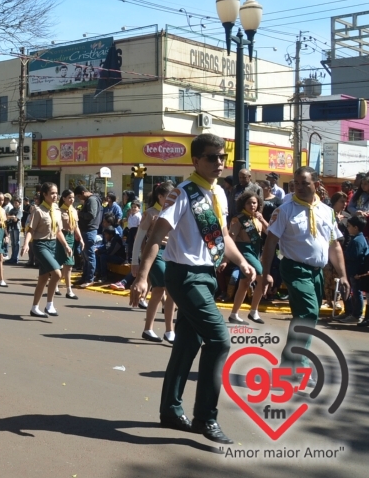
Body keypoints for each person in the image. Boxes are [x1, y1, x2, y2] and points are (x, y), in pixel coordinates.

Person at [133, 133, 255, 445]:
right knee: (219, 339)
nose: (219, 163)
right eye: (213, 157)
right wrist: (143, 277)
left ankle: (171, 410)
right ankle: (205, 418)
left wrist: (242, 262)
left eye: (222, 157)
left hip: (206, 276)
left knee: (187, 344)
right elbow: (157, 234)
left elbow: (224, 235)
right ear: (196, 161)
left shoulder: (219, 194)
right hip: (184, 276)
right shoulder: (183, 193)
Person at [261, 167, 350, 377]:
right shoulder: (284, 210)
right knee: (308, 313)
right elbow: (270, 241)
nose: (299, 187)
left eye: (304, 183)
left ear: (316, 185)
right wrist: (265, 273)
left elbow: (334, 246)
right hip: (294, 267)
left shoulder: (327, 211)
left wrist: (343, 275)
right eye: (296, 183)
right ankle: (297, 366)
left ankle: (289, 366)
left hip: (316, 271)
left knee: (307, 317)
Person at [131, 181, 176, 343]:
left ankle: (159, 329)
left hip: (172, 252)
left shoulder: (174, 211)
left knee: (164, 291)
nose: (173, 200)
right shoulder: (150, 213)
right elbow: (139, 238)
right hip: (154, 251)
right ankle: (159, 329)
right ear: (160, 196)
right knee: (164, 287)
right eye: (169, 197)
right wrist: (134, 261)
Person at [23, 183, 71, 317]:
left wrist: (66, 245)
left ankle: (34, 308)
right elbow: (31, 230)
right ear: (44, 195)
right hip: (40, 245)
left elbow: (58, 231)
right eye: (52, 193)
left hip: (52, 245)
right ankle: (49, 305)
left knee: (43, 279)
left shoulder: (56, 210)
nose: (55, 196)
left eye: (56, 193)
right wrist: (26, 244)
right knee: (56, 273)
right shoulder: (38, 211)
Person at [228, 192, 270, 325]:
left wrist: (262, 219)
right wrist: (228, 257)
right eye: (249, 203)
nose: (252, 205)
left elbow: (270, 232)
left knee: (244, 283)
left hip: (255, 251)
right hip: (244, 252)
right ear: (243, 204)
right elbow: (231, 237)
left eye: (254, 203)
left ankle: (234, 314)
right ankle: (254, 311)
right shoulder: (238, 218)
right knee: (263, 278)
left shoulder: (257, 218)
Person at [340, 215, 368, 324]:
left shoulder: (357, 241)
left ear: (355, 227)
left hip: (356, 272)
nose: (347, 228)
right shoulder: (357, 239)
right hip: (354, 271)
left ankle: (356, 315)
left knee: (357, 293)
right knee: (355, 293)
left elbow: (354, 257)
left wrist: (344, 254)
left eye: (349, 226)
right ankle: (353, 313)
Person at [74, 185, 103, 287]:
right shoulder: (90, 200)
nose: (79, 199)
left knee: (89, 256)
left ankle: (89, 278)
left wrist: (79, 213)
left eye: (78, 196)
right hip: (86, 230)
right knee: (85, 256)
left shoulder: (92, 200)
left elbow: (91, 214)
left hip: (89, 230)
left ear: (82, 192)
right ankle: (85, 277)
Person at [5, 196, 22, 265]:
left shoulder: (19, 211)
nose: (15, 204)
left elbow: (16, 219)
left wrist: (12, 217)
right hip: (11, 227)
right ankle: (12, 257)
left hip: (17, 227)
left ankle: (16, 258)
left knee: (16, 243)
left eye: (16, 203)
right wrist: (12, 217)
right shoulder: (12, 209)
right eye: (14, 203)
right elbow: (7, 216)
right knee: (12, 243)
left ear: (19, 203)